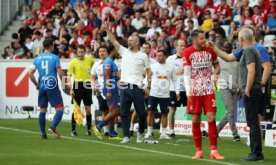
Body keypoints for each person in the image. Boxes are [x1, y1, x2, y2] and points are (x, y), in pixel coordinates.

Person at [210, 28, 264, 161]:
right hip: (253, 89)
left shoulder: (250, 50)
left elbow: (251, 71)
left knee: (252, 123)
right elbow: (228, 57)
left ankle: (256, 153)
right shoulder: (248, 50)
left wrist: (247, 89)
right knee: (252, 122)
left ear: (241, 39)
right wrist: (214, 48)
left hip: (251, 89)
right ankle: (256, 152)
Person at [104, 21, 151, 144]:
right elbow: (113, 40)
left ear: (137, 43)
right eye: (128, 40)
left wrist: (147, 85)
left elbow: (149, 72)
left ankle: (140, 132)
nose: (128, 41)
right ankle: (126, 136)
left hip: (137, 87)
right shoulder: (124, 51)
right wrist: (108, 30)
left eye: (131, 40)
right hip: (124, 86)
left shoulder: (143, 56)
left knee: (141, 112)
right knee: (124, 113)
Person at [211, 27, 271, 120]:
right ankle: (255, 134)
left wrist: (262, 84)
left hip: (256, 87)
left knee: (256, 117)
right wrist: (214, 48)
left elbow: (267, 67)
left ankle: (257, 134)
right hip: (248, 86)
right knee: (253, 118)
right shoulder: (244, 49)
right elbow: (227, 57)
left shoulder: (260, 48)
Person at [183, 30, 223, 160]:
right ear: (195, 39)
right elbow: (187, 73)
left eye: (204, 38)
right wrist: (188, 90)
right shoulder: (188, 52)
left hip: (208, 90)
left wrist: (215, 74)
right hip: (194, 91)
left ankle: (214, 151)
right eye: (201, 38)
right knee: (195, 120)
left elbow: (217, 66)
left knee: (211, 118)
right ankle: (198, 151)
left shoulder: (210, 50)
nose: (204, 40)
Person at [29, 39, 67, 139]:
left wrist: (36, 84)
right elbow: (60, 73)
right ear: (51, 46)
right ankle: (53, 127)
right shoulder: (55, 58)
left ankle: (43, 134)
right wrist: (65, 85)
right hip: (52, 85)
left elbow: (30, 74)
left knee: (42, 110)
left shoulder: (37, 58)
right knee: (60, 109)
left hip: (42, 86)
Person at [144, 50, 179, 139]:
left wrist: (177, 91)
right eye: (157, 56)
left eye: (160, 56)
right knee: (150, 112)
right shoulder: (153, 66)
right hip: (153, 94)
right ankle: (149, 132)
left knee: (164, 113)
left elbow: (175, 80)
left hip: (165, 95)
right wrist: (146, 86)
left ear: (165, 57)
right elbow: (147, 77)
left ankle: (163, 133)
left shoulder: (170, 67)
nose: (158, 57)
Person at [93, 45, 121, 139]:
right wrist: (109, 91)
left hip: (114, 89)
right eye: (117, 51)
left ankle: (112, 134)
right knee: (116, 111)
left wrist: (118, 76)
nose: (118, 53)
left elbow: (112, 75)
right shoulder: (108, 62)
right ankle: (98, 126)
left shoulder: (111, 61)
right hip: (110, 90)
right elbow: (107, 76)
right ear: (112, 51)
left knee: (112, 111)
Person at [67, 45, 94, 136]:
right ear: (76, 52)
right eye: (79, 52)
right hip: (77, 85)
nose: (80, 54)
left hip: (87, 85)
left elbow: (94, 72)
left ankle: (89, 130)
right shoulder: (73, 62)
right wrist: (70, 89)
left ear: (85, 52)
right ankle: (73, 130)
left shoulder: (90, 60)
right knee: (76, 109)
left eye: (82, 52)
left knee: (88, 109)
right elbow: (68, 76)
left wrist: (94, 83)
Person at [216, 42, 240, 141]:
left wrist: (240, 87)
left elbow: (239, 74)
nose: (226, 48)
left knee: (230, 113)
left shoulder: (236, 59)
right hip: (224, 86)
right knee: (230, 111)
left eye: (228, 47)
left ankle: (214, 131)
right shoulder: (219, 59)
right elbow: (215, 71)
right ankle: (235, 135)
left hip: (235, 88)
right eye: (225, 47)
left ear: (231, 48)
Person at [166, 39, 187, 137]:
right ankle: (171, 130)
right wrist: (176, 72)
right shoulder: (170, 59)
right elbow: (166, 71)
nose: (183, 47)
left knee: (194, 110)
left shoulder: (189, 58)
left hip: (187, 88)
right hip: (174, 88)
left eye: (184, 45)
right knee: (172, 110)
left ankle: (199, 129)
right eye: (181, 45)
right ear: (176, 46)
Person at [91, 46, 110, 136]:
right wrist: (94, 85)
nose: (102, 53)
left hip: (112, 91)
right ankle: (106, 131)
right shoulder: (96, 64)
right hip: (101, 91)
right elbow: (92, 77)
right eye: (100, 51)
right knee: (104, 111)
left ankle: (114, 131)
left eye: (103, 51)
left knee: (113, 111)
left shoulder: (113, 63)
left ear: (107, 52)